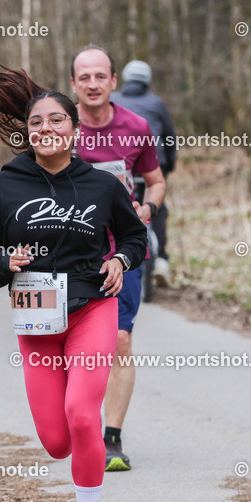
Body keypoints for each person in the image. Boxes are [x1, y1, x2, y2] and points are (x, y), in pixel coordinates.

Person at [0, 68, 147, 502]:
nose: (46, 128)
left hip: (93, 307)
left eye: (56, 120)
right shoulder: (5, 186)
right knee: (55, 441)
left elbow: (134, 237)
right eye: (36, 122)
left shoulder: (100, 185)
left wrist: (120, 260)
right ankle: (78, 461)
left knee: (81, 415)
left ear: (73, 129)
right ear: (26, 132)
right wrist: (4, 262)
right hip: (38, 321)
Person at [71, 45, 166, 473]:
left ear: (114, 81)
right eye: (83, 77)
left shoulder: (136, 126)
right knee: (75, 345)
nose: (92, 84)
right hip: (70, 252)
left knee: (120, 340)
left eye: (99, 77)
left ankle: (112, 438)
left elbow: (156, 181)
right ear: (74, 84)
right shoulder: (62, 126)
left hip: (123, 250)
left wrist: (147, 209)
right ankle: (79, 420)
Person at [111, 60, 176, 286]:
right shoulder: (156, 103)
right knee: (157, 209)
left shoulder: (113, 100)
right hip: (153, 164)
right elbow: (169, 137)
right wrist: (168, 166)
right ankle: (161, 260)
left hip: (121, 165)